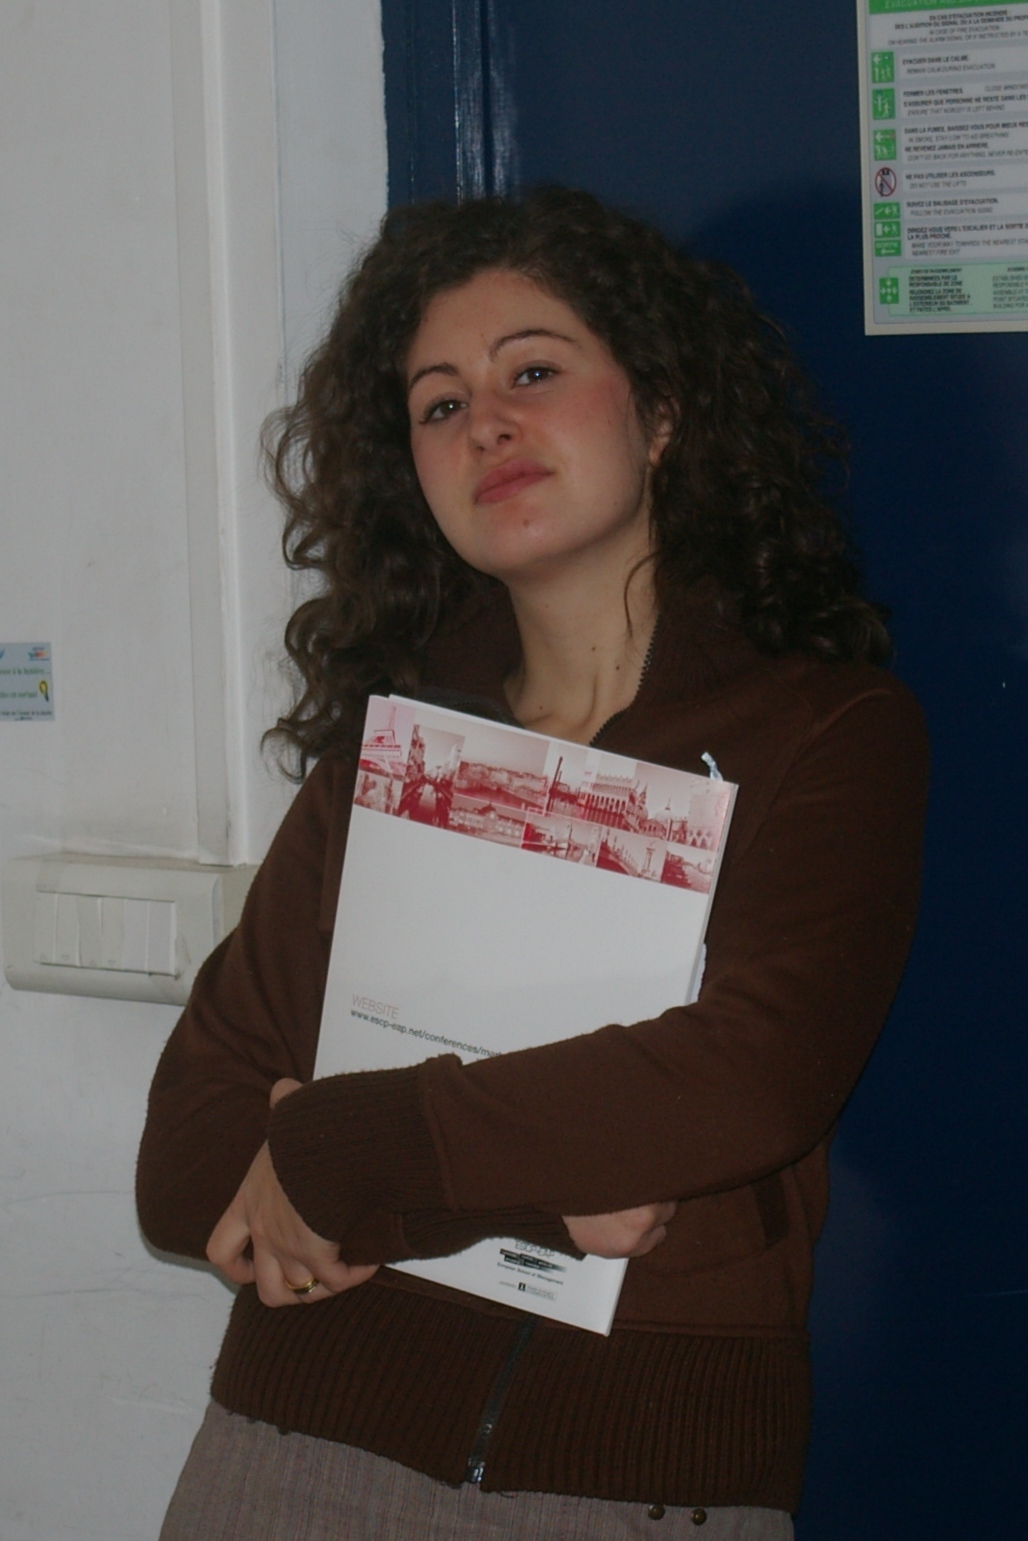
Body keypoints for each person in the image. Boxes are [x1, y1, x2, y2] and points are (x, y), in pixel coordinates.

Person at [137, 187, 928, 1539]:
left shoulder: (831, 733)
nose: (486, 424)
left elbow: (746, 1079)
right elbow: (188, 1154)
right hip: (292, 1448)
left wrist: (333, 1142)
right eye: (440, 403)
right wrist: (547, 1201)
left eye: (535, 373)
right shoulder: (393, 749)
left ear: (661, 411)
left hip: (641, 1481)